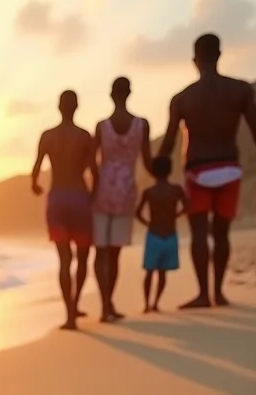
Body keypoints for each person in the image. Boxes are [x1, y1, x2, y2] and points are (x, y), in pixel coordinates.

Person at [158, 32, 256, 308]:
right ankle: (219, 293)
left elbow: (168, 141)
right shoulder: (241, 90)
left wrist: (158, 172)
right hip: (229, 168)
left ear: (194, 61)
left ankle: (202, 294)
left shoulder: (182, 98)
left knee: (200, 233)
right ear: (220, 55)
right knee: (221, 233)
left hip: (197, 170)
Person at [31, 89, 96, 330]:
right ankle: (75, 304)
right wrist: (94, 196)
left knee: (64, 260)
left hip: (57, 198)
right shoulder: (84, 136)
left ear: (59, 107)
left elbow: (36, 170)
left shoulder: (47, 136)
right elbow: (94, 171)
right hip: (79, 197)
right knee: (82, 256)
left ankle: (69, 314)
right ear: (76, 107)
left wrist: (35, 186)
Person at [93, 76, 153, 322]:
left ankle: (104, 304)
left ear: (111, 95)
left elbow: (91, 160)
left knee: (100, 251)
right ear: (129, 94)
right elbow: (148, 162)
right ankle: (110, 303)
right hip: (126, 190)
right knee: (114, 253)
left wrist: (92, 183)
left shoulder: (101, 126)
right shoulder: (142, 125)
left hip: (102, 190)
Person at [136, 156, 187, 313]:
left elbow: (137, 213)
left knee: (149, 272)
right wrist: (176, 215)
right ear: (170, 170)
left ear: (153, 172)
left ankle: (146, 304)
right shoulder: (176, 190)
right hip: (170, 234)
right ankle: (156, 303)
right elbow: (188, 206)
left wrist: (148, 223)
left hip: (154, 234)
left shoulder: (149, 192)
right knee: (162, 273)